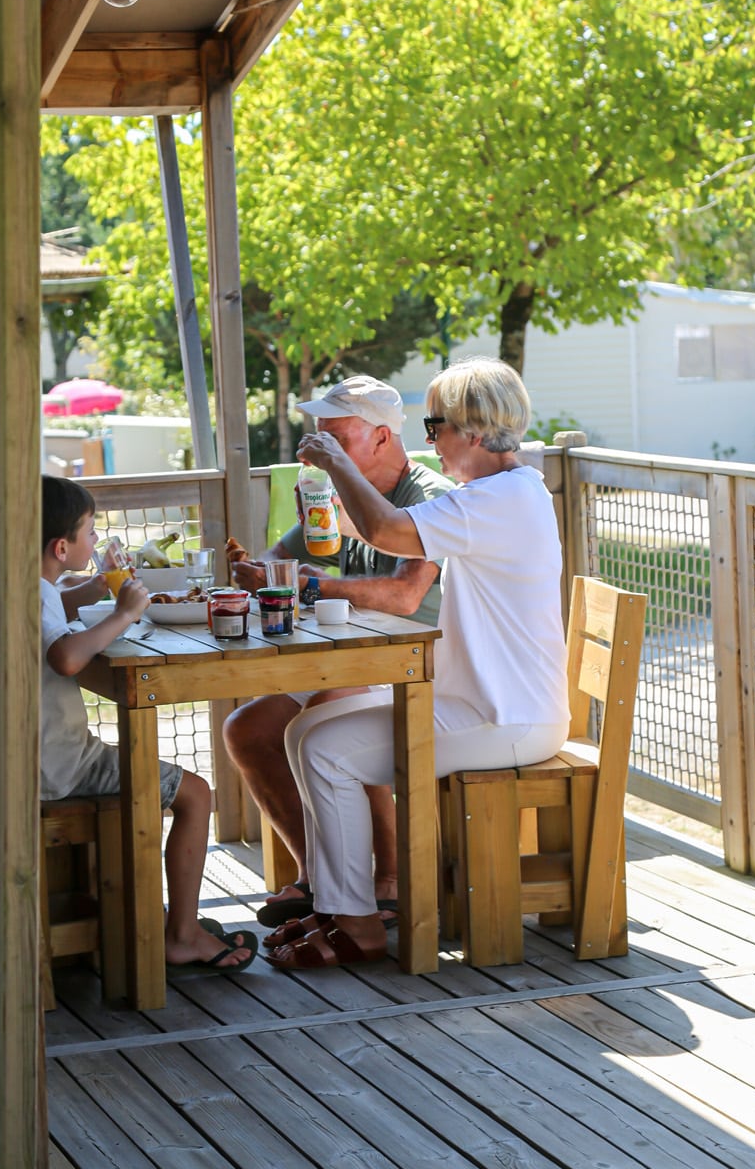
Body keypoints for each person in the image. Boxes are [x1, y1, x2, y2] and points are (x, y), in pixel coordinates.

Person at [265, 357, 570, 971]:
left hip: (503, 716)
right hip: (491, 703)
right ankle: (337, 905)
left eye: (435, 429)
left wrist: (336, 461)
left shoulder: (498, 499)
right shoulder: (503, 493)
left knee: (326, 751)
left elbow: (384, 528)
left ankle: (359, 924)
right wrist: (335, 506)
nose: (429, 444)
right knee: (304, 732)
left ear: (475, 432)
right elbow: (377, 530)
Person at [222, 377, 452, 930]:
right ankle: (318, 877)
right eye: (317, 434)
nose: (319, 448)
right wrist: (260, 573)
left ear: (380, 437)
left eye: (334, 437)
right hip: (358, 660)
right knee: (246, 731)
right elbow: (279, 559)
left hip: (427, 670)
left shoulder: (430, 496)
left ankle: (391, 881)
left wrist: (310, 586)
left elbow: (404, 595)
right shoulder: (330, 494)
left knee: (332, 705)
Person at [40, 476, 257, 973]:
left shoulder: (25, 583)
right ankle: (182, 935)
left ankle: (160, 919)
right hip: (60, 766)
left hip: (31, 756)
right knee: (197, 793)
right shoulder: (39, 592)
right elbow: (67, 658)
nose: (96, 543)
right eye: (90, 533)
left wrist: (95, 588)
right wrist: (123, 613)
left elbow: (53, 608)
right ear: (61, 545)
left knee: (174, 782)